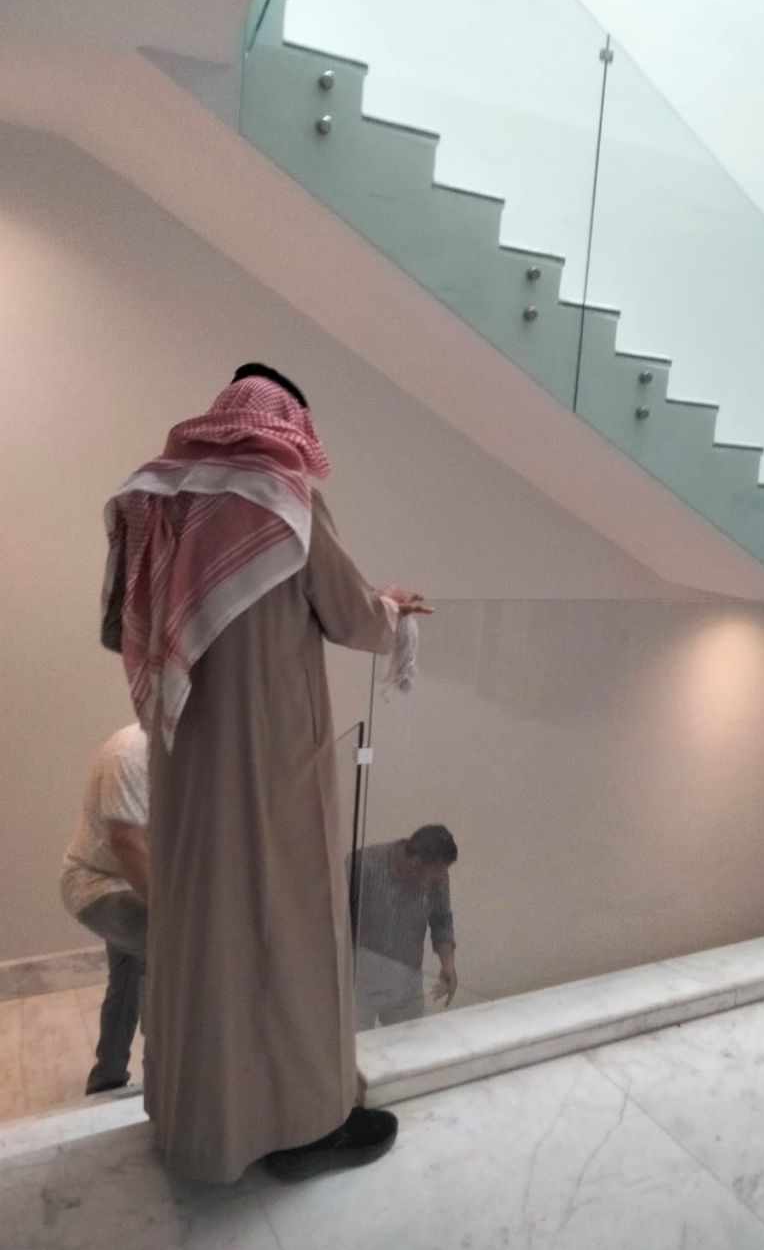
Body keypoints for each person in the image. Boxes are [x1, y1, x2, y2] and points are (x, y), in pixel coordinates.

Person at [101, 362, 431, 1184]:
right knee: (289, 929)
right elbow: (353, 616)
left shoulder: (152, 497)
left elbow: (123, 626)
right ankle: (300, 1127)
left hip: (186, 764)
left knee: (203, 928)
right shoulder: (285, 499)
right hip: (276, 762)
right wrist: (390, 608)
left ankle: (196, 1120)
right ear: (290, 422)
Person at [60, 723, 149, 1095]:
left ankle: (106, 1079)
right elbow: (126, 841)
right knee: (172, 961)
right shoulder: (129, 754)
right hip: (95, 882)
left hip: (128, 879)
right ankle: (168, 1077)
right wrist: (174, 917)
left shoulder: (182, 751)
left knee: (127, 976)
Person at [352, 825, 458, 1030]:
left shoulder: (438, 879)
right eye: (438, 870)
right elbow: (335, 924)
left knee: (410, 1042)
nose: (442, 876)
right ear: (415, 862)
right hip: (359, 983)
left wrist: (448, 963)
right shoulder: (364, 866)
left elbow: (441, 920)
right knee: (358, 1045)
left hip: (406, 983)